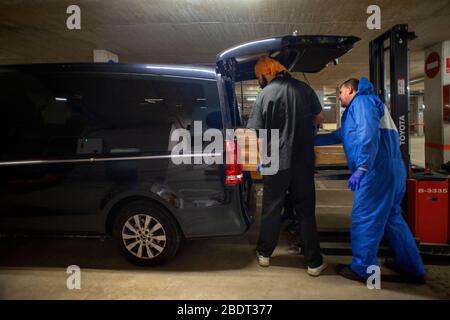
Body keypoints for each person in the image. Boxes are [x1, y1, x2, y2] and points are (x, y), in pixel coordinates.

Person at [315, 77, 426, 283]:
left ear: (350, 90)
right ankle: (412, 267)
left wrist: (363, 166)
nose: (338, 97)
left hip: (376, 170)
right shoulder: (368, 104)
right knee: (393, 219)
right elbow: (342, 135)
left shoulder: (362, 102)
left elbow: (368, 134)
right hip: (392, 169)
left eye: (339, 93)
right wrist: (311, 140)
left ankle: (362, 269)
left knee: (366, 218)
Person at [247, 56, 327, 276]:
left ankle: (264, 254)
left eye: (258, 77)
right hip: (302, 160)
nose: (258, 81)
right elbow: (320, 117)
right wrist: (301, 122)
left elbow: (260, 134)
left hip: (275, 160)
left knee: (272, 208)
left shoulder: (265, 94)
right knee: (306, 212)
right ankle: (314, 263)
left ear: (267, 73)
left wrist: (263, 159)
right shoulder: (304, 89)